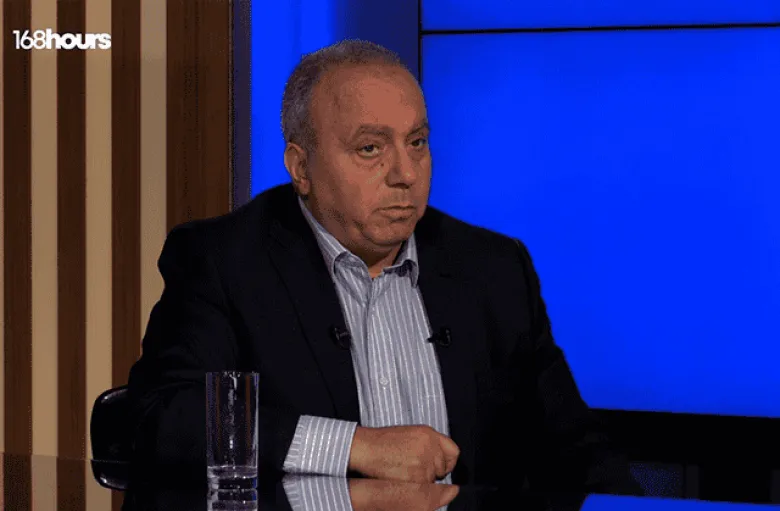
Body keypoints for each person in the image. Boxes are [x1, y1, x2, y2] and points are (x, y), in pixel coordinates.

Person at [126, 39, 641, 494]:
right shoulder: (225, 260)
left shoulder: (494, 269)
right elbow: (158, 418)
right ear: (301, 168)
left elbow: (576, 450)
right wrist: (355, 447)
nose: (405, 174)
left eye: (417, 143)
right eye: (370, 148)